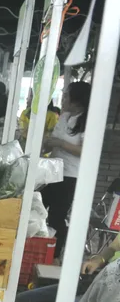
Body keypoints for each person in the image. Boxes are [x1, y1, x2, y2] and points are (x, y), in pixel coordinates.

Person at [42, 81, 91, 257]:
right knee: (38, 207)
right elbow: (52, 141)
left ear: (77, 100)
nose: (63, 99)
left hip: (70, 176)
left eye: (66, 95)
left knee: (56, 216)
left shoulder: (87, 121)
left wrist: (60, 143)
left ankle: (55, 254)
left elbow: (86, 151)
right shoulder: (63, 117)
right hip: (52, 171)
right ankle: (41, 247)